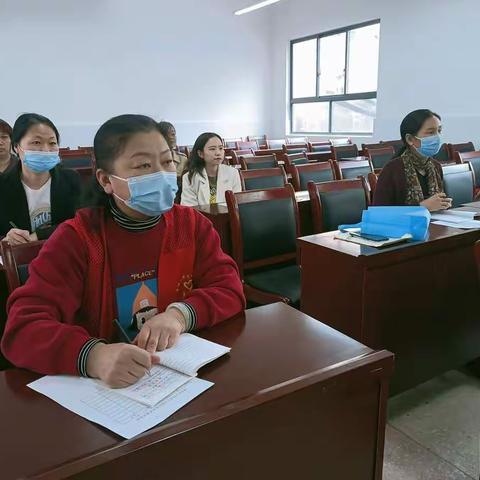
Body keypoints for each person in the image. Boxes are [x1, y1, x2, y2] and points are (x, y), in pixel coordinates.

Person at [1, 114, 245, 388]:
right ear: (106, 180)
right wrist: (94, 356)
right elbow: (23, 329)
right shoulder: (77, 240)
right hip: (103, 392)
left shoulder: (190, 226)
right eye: (143, 165)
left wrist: (180, 315)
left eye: (167, 162)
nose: (161, 175)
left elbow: (229, 287)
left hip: (176, 381)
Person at [0, 113, 81, 243]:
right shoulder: (2, 186)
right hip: (20, 259)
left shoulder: (71, 179)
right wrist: (5, 239)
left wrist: (38, 235)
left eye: (52, 143)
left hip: (63, 253)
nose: (45, 150)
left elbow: (79, 222)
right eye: (36, 142)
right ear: (16, 147)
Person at [373, 109, 452, 211]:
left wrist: (444, 204)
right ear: (410, 139)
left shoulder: (436, 166)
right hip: (402, 226)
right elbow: (380, 214)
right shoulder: (392, 170)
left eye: (439, 131)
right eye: (431, 132)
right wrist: (422, 207)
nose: (437, 137)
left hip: (435, 225)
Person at [181, 132, 242, 206]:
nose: (218, 153)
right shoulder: (189, 177)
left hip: (227, 216)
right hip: (200, 217)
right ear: (200, 153)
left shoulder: (233, 173)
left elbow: (236, 204)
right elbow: (189, 208)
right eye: (212, 149)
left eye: (220, 148)